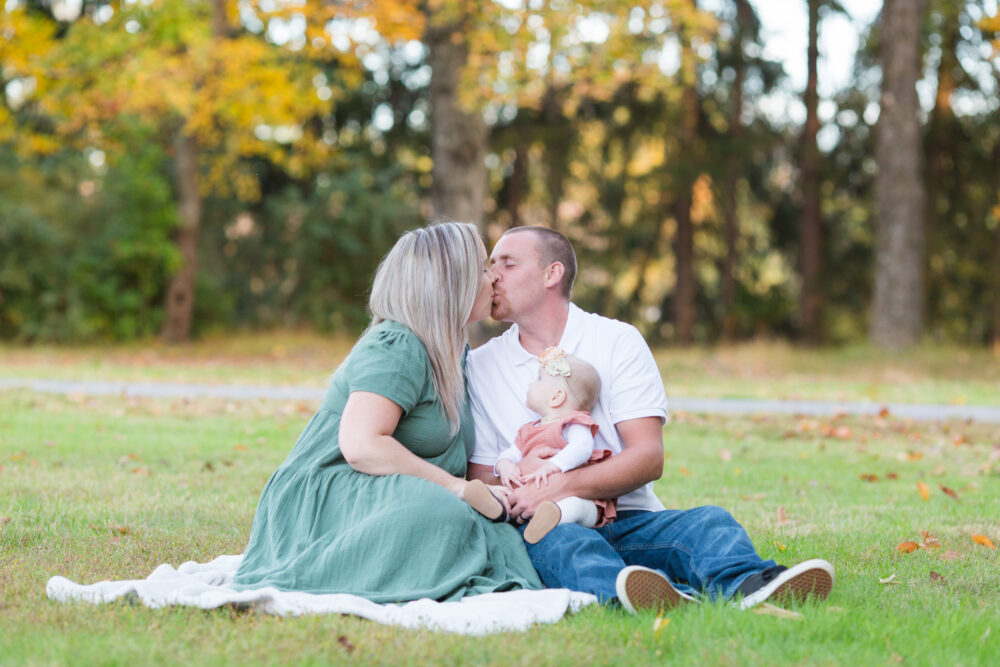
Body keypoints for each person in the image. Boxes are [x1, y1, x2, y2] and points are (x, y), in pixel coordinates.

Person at [466, 226, 834, 612]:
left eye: (507, 264)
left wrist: (557, 486)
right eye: (491, 266)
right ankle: (636, 597)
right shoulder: (481, 366)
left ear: (551, 274)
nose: (493, 277)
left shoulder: (616, 340)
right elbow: (482, 478)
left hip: (632, 517)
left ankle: (751, 585)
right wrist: (524, 482)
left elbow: (647, 457)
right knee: (563, 547)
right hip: (552, 526)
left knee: (709, 522)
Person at [233, 222, 541, 602]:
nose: (493, 276)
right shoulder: (397, 343)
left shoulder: (452, 354)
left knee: (492, 523)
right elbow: (362, 446)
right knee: (444, 511)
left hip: (387, 491)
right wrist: (458, 489)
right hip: (328, 492)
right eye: (481, 267)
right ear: (450, 282)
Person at [490, 348, 617, 545]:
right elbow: (511, 453)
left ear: (557, 397)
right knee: (505, 500)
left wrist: (553, 465)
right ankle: (495, 509)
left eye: (539, 379)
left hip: (573, 499)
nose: (532, 383)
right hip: (529, 501)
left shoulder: (572, 423)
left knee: (576, 507)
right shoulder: (528, 430)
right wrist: (504, 465)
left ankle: (552, 518)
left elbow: (582, 447)